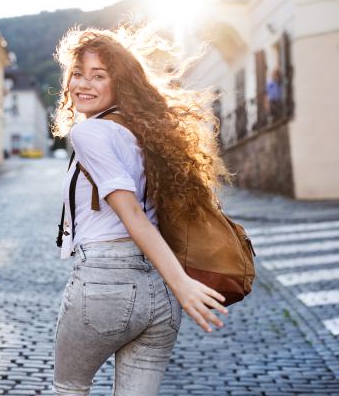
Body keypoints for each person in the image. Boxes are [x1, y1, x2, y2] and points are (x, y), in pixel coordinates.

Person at [52, 25, 230, 396]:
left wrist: (185, 286)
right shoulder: (144, 134)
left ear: (120, 84)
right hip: (160, 294)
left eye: (98, 76)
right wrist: (175, 285)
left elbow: (131, 213)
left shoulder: (89, 133)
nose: (82, 84)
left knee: (70, 386)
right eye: (77, 74)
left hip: (107, 284)